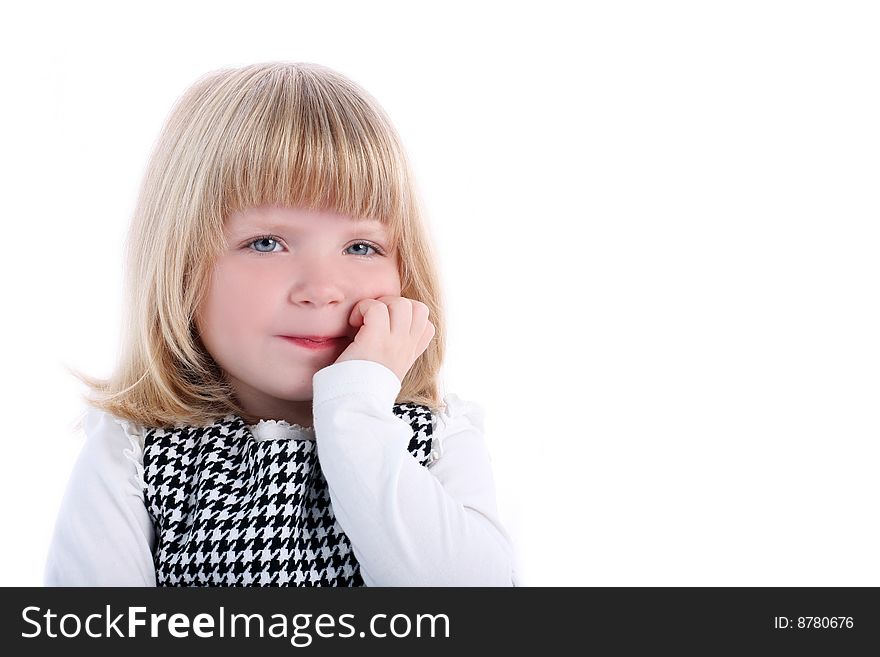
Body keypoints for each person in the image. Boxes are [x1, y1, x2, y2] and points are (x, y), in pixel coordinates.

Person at [43, 61, 518, 587]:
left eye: (362, 246)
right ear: (180, 267)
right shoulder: (134, 453)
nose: (321, 288)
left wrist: (356, 413)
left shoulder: (439, 438)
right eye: (266, 243)